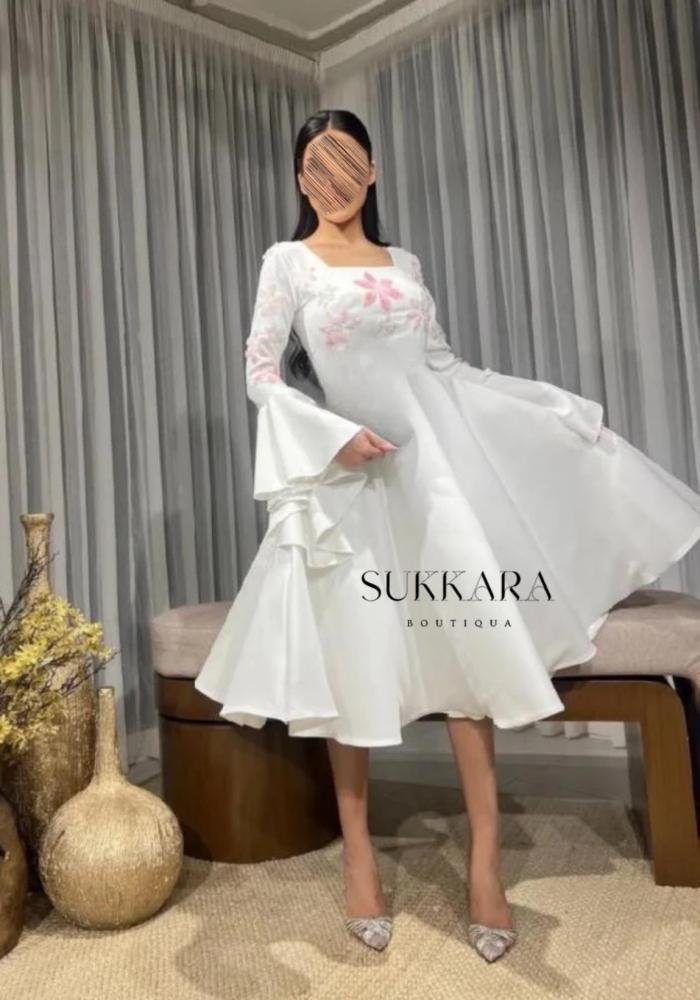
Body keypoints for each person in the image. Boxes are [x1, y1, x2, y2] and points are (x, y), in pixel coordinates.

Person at [195, 109, 700, 962]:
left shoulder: (406, 265)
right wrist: (330, 436)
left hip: (433, 479)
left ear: (371, 170)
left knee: (469, 656)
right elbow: (260, 374)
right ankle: (359, 855)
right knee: (353, 669)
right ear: (299, 179)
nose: (331, 178)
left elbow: (445, 369)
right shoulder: (288, 261)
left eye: (345, 160)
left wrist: (542, 407)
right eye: (315, 164)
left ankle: (486, 863)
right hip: (350, 484)